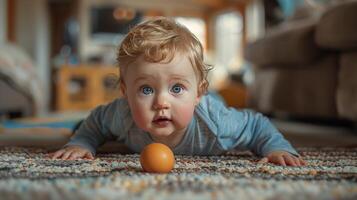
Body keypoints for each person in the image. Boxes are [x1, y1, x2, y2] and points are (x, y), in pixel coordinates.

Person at [51, 17, 306, 166]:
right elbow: (96, 122)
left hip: (208, 105)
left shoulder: (216, 123)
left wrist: (276, 148)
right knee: (85, 126)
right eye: (146, 89)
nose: (161, 102)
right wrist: (82, 142)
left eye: (176, 88)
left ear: (197, 93)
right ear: (125, 93)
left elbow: (255, 125)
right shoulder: (122, 113)